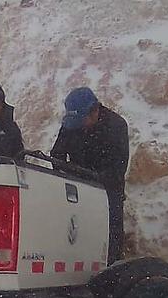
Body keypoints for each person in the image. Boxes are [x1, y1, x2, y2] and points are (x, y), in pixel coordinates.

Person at [50, 88, 129, 263]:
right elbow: (57, 154)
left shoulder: (116, 126)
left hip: (107, 193)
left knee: (109, 244)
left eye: (81, 120)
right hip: (77, 189)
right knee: (73, 239)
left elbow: (116, 170)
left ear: (95, 111)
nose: (78, 126)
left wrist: (85, 176)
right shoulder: (71, 124)